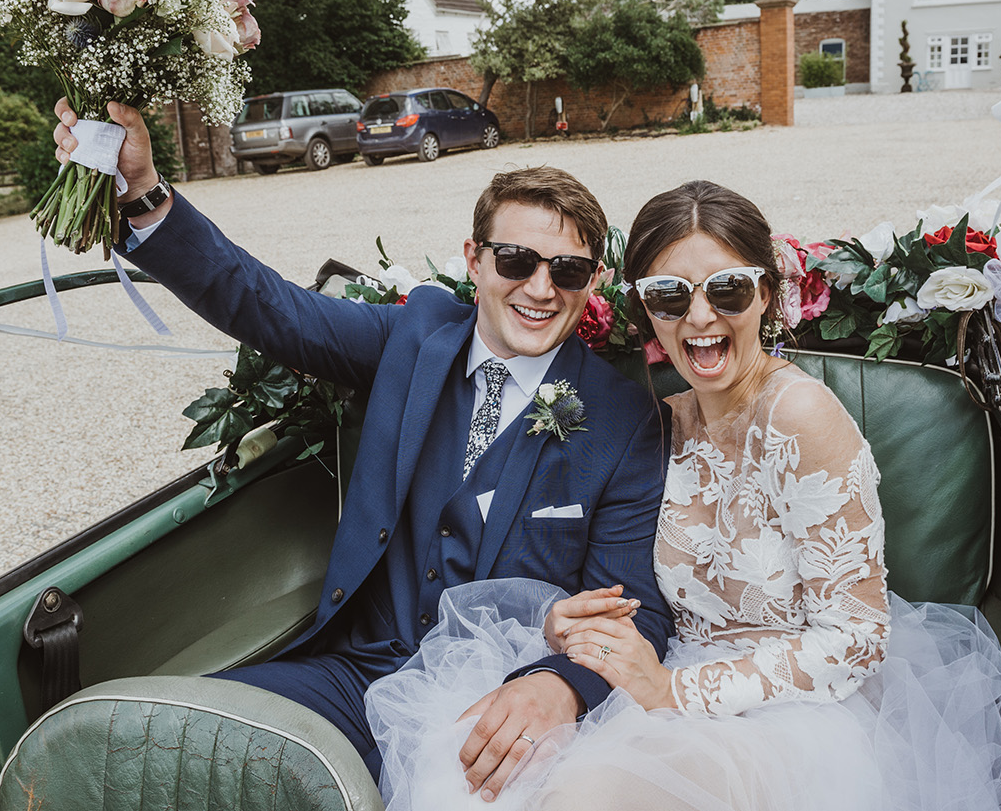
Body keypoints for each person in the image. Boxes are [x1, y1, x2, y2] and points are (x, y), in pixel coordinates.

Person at [366, 180, 1001, 811]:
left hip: (795, 714)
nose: (699, 316)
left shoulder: (801, 417)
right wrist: (570, 627)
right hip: (661, 686)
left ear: (764, 294)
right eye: (670, 296)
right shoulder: (658, 421)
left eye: (727, 290)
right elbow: (629, 585)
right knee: (486, 775)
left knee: (583, 796)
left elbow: (857, 638)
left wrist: (679, 695)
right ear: (646, 311)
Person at [50, 100, 676, 798]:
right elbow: (266, 305)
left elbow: (635, 605)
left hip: (501, 706)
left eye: (567, 271)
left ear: (591, 281)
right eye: (516, 259)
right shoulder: (412, 337)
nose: (540, 287)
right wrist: (144, 193)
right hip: (356, 673)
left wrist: (560, 685)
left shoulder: (624, 417)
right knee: (165, 744)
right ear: (474, 260)